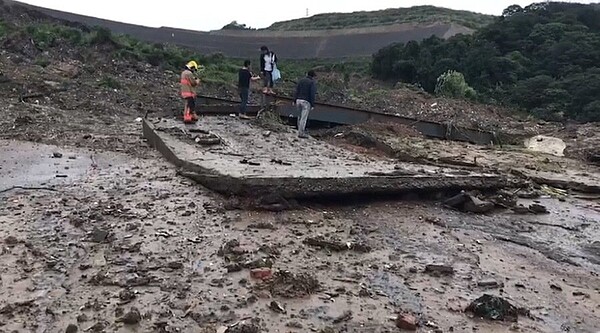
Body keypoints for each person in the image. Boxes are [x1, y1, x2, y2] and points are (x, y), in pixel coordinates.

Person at [293, 70, 317, 138]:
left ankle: (299, 131)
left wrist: (294, 100)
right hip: (306, 102)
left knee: (299, 117)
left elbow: (297, 90)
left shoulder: (301, 80)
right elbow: (312, 94)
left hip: (298, 100)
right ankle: (301, 133)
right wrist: (312, 104)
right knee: (304, 118)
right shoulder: (312, 82)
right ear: (313, 76)